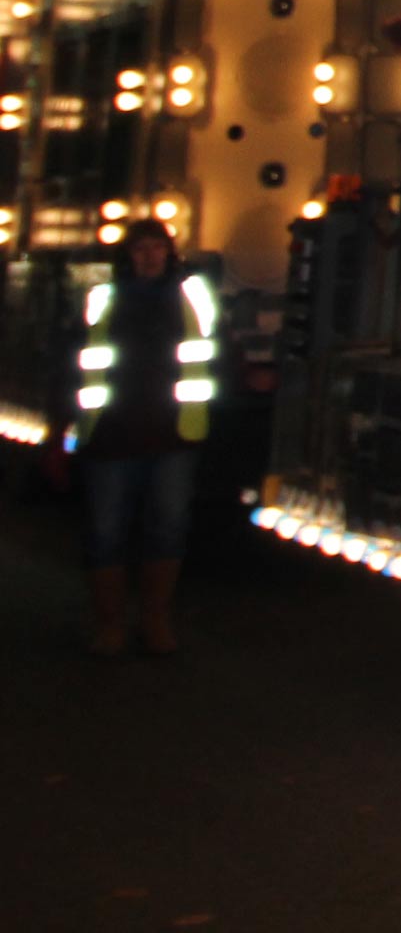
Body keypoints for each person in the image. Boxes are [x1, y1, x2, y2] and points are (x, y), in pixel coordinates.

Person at [74, 220, 218, 656]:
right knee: (106, 533)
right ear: (128, 255)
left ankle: (155, 620)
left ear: (170, 253)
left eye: (157, 247)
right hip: (111, 435)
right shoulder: (103, 298)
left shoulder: (193, 296)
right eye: (141, 248)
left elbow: (218, 352)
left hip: (173, 434)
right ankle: (111, 626)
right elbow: (73, 358)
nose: (150, 256)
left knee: (168, 528)